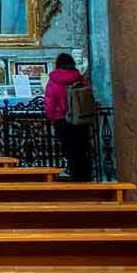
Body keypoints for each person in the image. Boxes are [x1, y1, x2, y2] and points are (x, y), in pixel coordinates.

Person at [41, 53, 94, 181]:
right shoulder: (79, 77)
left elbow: (49, 102)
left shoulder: (54, 81)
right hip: (80, 118)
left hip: (62, 120)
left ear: (58, 64)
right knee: (82, 149)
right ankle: (86, 178)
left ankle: (75, 177)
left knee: (69, 150)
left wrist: (52, 118)